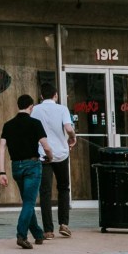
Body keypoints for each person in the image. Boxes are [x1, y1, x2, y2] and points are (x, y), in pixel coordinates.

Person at [0, 93, 55, 250]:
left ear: (18, 106)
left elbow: (2, 148)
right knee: (29, 202)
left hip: (16, 166)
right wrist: (51, 157)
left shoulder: (8, 125)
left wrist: (2, 172)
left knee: (27, 203)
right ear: (31, 107)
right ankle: (21, 235)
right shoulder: (35, 123)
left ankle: (37, 234)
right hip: (32, 166)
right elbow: (46, 146)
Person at [32, 82, 76, 240]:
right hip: (61, 154)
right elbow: (69, 128)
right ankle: (64, 224)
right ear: (55, 95)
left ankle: (48, 230)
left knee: (45, 192)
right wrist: (72, 139)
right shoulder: (62, 109)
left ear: (41, 96)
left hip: (43, 154)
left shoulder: (35, 110)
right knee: (64, 188)